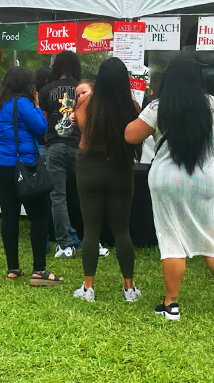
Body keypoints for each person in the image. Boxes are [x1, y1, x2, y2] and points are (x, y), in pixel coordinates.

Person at [125, 55, 214, 320]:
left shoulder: (159, 106)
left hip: (166, 180)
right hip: (204, 178)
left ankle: (171, 303)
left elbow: (130, 135)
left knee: (171, 240)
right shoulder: (213, 105)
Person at [72, 57, 141, 302]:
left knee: (90, 229)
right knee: (122, 230)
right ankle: (129, 288)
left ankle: (88, 287)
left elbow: (80, 127)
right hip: (120, 169)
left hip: (88, 166)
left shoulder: (85, 102)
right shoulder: (131, 106)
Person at [0, 67, 63, 286]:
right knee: (39, 216)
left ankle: (13, 268)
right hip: (23, 165)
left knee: (9, 214)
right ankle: (39, 270)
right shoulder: (23, 103)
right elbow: (41, 127)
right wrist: (38, 106)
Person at [39, 51, 83, 259]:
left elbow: (43, 123)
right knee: (86, 196)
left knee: (58, 197)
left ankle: (65, 243)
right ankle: (92, 239)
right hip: (79, 146)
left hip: (54, 146)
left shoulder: (46, 90)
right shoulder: (83, 90)